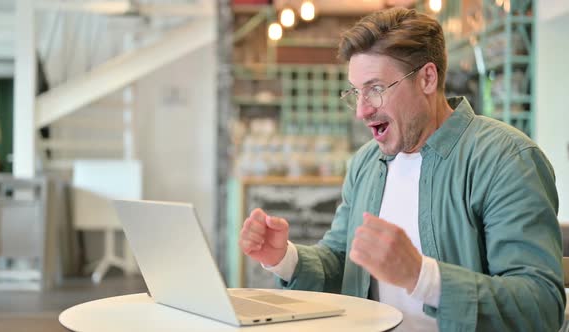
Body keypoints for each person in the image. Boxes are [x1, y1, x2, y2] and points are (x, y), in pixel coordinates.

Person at [238, 7, 566, 332]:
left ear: (427, 78)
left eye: (376, 89)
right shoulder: (366, 163)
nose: (362, 111)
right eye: (356, 92)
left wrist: (421, 276)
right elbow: (343, 264)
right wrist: (285, 258)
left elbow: (541, 307)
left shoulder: (506, 159)